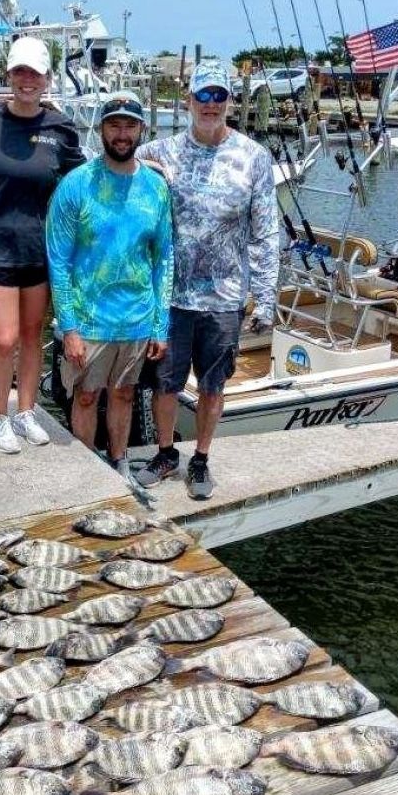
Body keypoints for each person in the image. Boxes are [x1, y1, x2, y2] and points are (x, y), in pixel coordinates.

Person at [134, 60, 279, 500]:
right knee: (165, 383)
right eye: (203, 96)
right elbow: (110, 169)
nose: (211, 105)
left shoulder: (255, 156)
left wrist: (266, 298)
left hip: (225, 298)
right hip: (170, 296)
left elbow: (266, 232)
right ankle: (165, 453)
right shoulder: (157, 153)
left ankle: (200, 459)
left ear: (231, 102)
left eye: (219, 96)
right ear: (189, 101)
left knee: (214, 385)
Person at [46, 91, 173, 481]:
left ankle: (119, 462)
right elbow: (58, 260)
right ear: (101, 130)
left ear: (141, 130)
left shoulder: (156, 187)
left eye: (129, 125)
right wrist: (68, 327)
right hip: (88, 320)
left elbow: (163, 258)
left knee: (124, 394)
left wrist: (160, 324)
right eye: (114, 125)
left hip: (137, 317)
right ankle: (87, 471)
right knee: (85, 396)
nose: (122, 133)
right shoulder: (76, 184)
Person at [0, 36, 85, 455]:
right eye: (20, 71)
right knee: (2, 339)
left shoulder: (61, 128)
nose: (27, 80)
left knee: (33, 336)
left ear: (48, 78)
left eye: (35, 73)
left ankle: (27, 411)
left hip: (41, 248)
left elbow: (84, 180)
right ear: (9, 75)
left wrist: (142, 167)